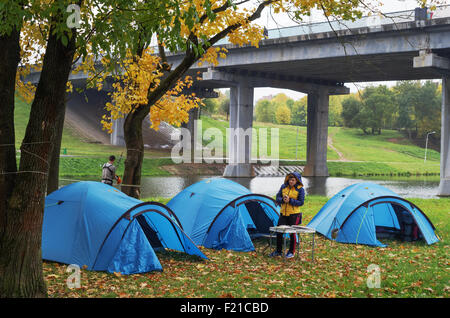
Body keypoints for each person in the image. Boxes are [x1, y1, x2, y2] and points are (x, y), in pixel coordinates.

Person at [270, 172, 305, 259]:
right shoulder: (283, 187)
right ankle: (278, 251)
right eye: (290, 179)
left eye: (293, 180)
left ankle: (291, 252)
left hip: (294, 215)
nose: (291, 181)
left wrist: (290, 201)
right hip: (283, 214)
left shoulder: (300, 189)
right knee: (279, 231)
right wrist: (283, 200)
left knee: (292, 233)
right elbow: (277, 198)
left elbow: (301, 202)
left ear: (297, 180)